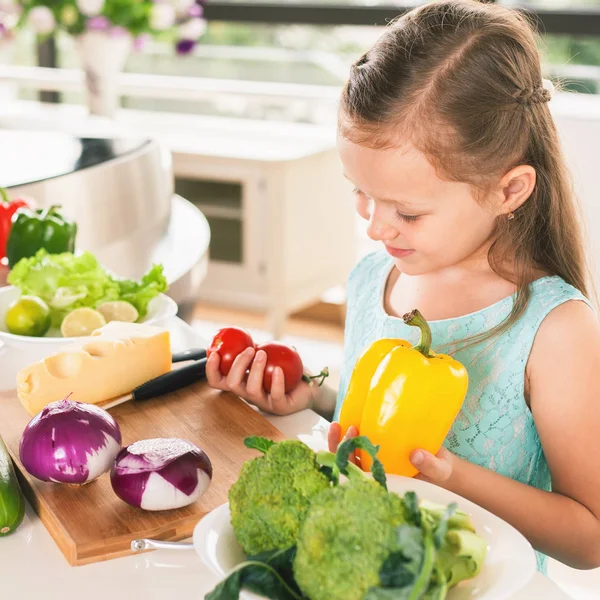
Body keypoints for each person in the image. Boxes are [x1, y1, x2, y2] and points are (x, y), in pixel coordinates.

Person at [206, 0, 600, 572]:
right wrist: (313, 396)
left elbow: (589, 539)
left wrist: (447, 475)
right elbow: (377, 403)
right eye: (359, 192)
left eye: (408, 213)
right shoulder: (375, 277)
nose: (374, 225)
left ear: (508, 191)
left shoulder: (557, 330)